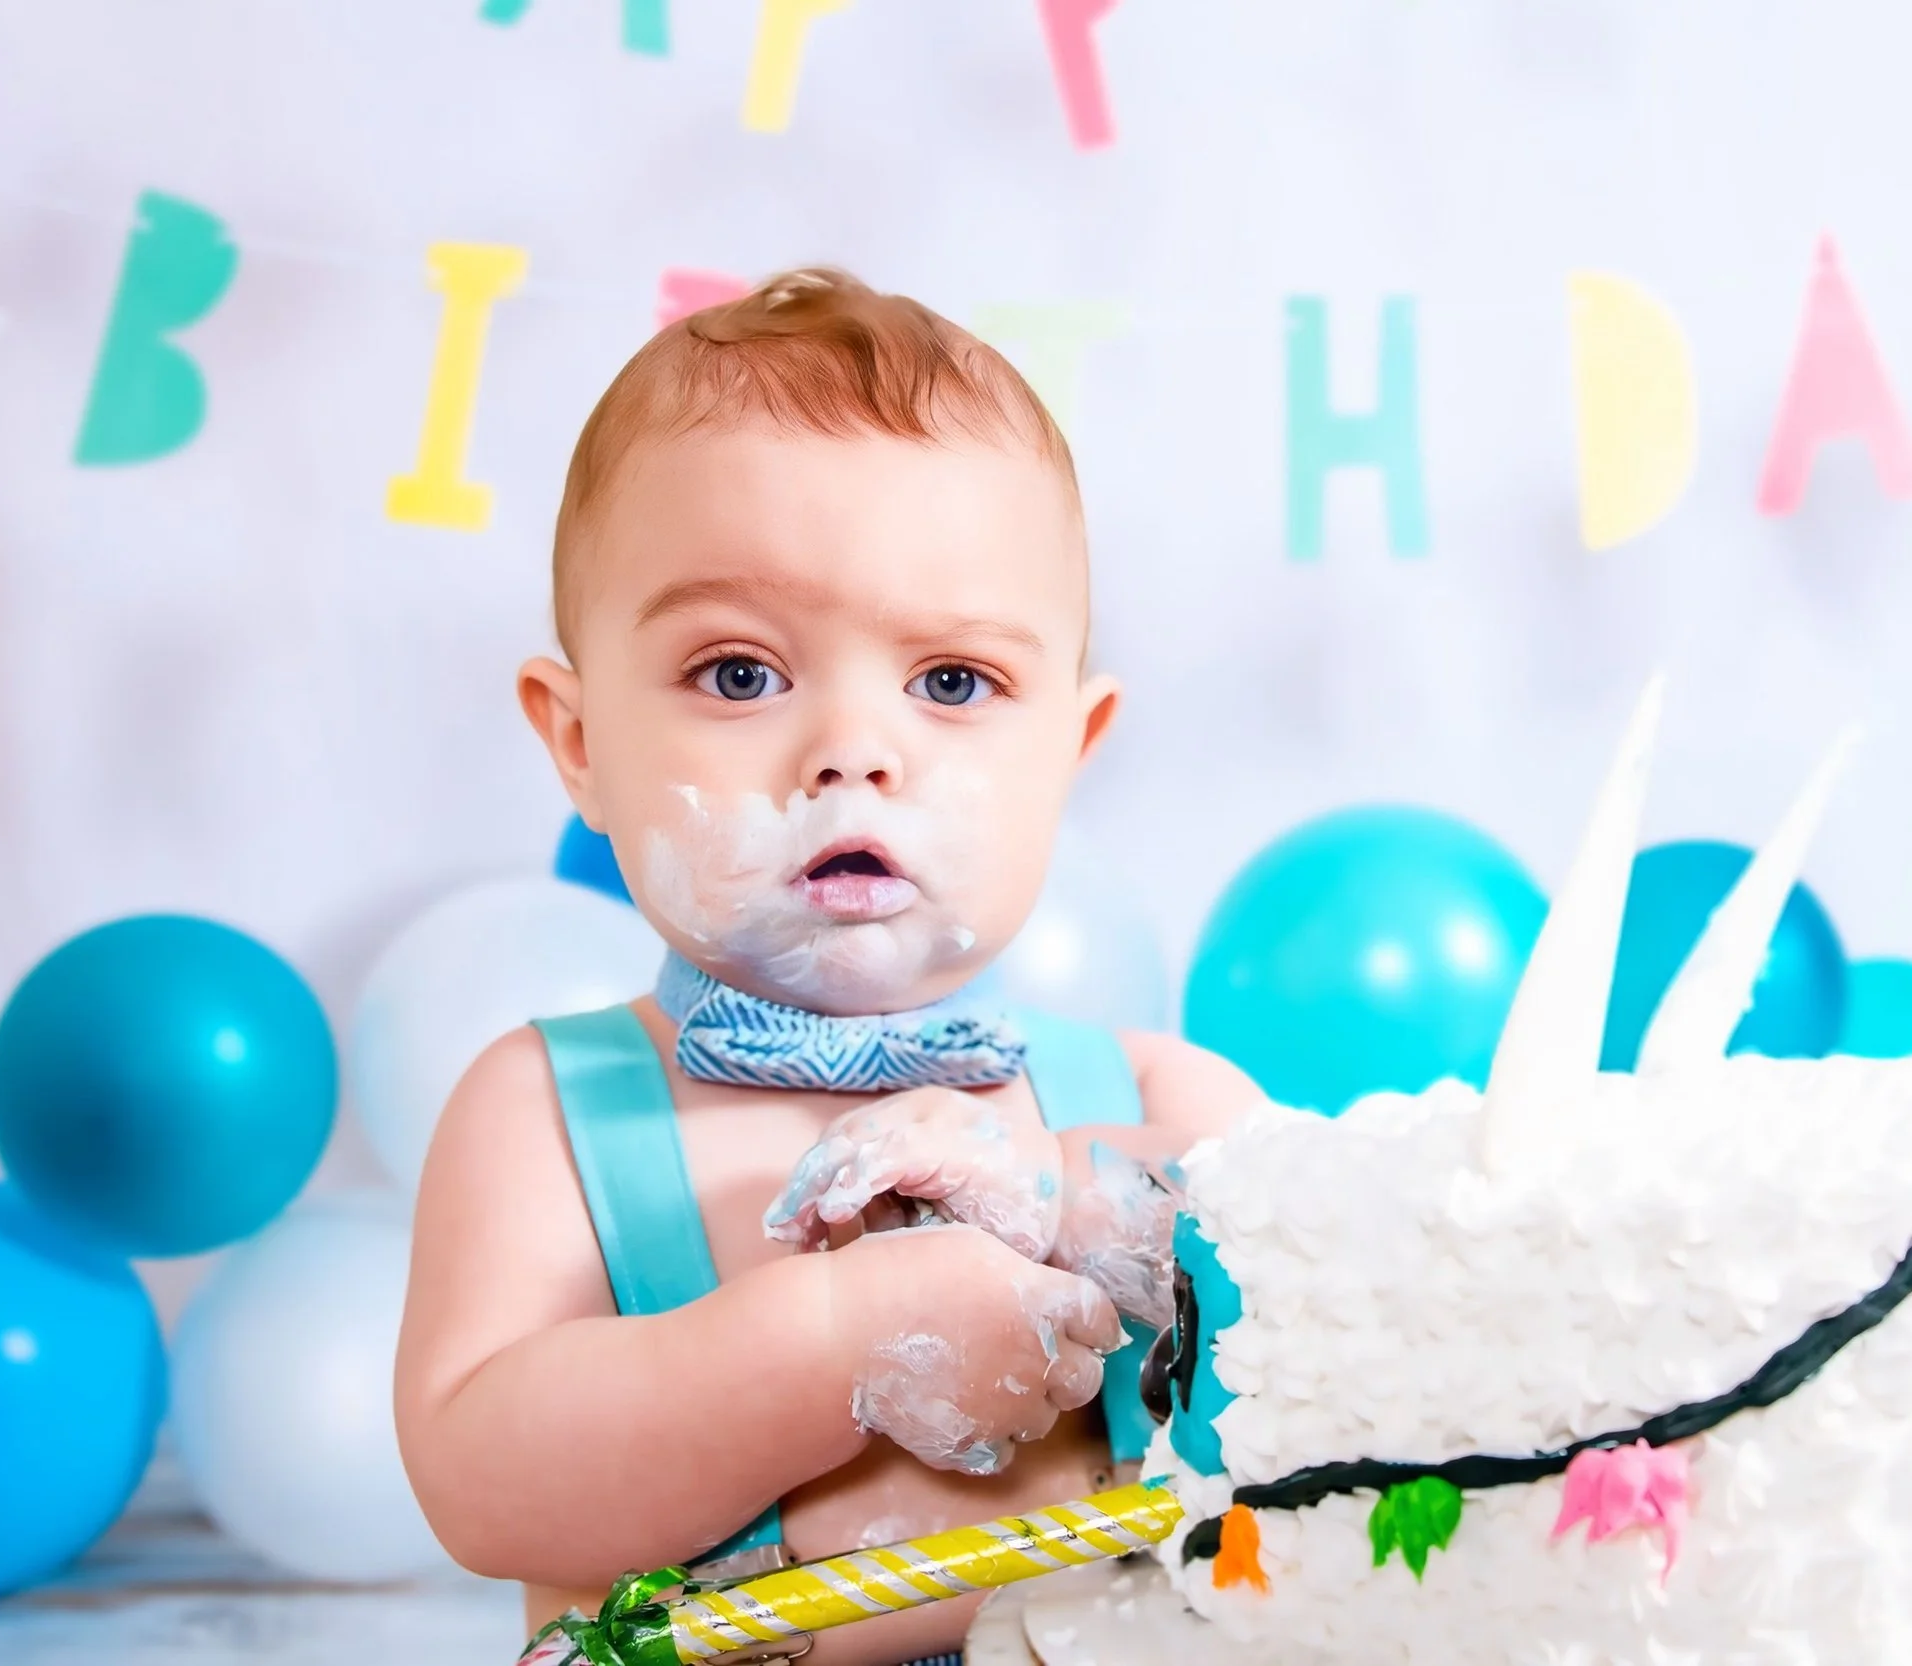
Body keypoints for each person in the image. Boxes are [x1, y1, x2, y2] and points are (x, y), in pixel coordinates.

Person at [394, 269, 1264, 1666]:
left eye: (953, 681)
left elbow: (1348, 1322)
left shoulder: (1166, 1097)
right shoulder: (551, 1113)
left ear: (1072, 752)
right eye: (739, 673)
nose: (855, 750)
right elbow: (481, 1484)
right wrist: (834, 1345)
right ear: (579, 741)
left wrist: (1082, 1196)